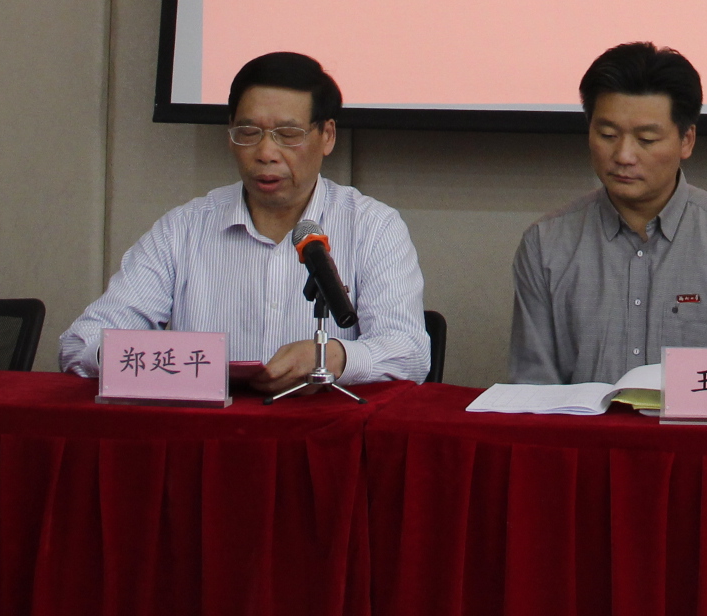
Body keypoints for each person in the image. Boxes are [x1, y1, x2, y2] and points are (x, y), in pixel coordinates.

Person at [58, 51, 429, 389]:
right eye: (248, 133)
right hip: (208, 429)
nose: (266, 153)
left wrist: (335, 357)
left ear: (327, 136)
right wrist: (143, 359)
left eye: (288, 135)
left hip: (322, 429)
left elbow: (409, 353)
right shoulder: (184, 228)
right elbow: (80, 343)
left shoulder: (372, 228)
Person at [508, 42, 707, 384]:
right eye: (608, 135)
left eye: (647, 139)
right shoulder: (546, 244)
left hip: (696, 423)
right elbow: (533, 388)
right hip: (580, 423)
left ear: (686, 140)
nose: (624, 155)